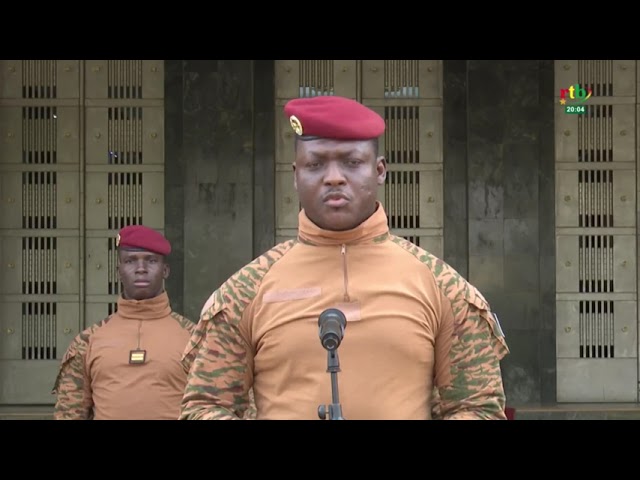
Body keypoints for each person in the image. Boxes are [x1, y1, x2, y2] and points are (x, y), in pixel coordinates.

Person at [180, 95, 510, 420]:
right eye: (316, 164)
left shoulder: (442, 287)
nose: (334, 177)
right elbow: (204, 405)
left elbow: (478, 407)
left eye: (351, 162)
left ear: (379, 170)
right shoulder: (246, 291)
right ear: (296, 175)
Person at [52, 225, 196, 420]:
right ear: (119, 271)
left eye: (151, 261)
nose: (141, 269)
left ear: (165, 270)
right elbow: (69, 414)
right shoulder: (87, 342)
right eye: (130, 261)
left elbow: (216, 405)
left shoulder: (195, 338)